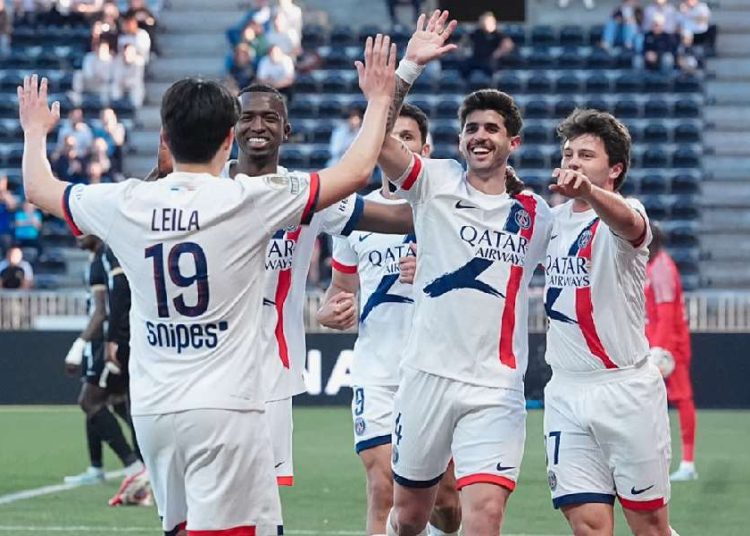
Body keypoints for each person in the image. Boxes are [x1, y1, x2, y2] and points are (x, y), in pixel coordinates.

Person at [18, 29, 395, 534]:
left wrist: (35, 130)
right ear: (227, 140)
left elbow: (39, 187)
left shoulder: (126, 201)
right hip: (225, 407)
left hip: (153, 409)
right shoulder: (248, 199)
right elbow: (354, 171)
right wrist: (379, 98)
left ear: (166, 139)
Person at [377, 11, 553, 535]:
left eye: (491, 128)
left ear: (512, 142)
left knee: (486, 515)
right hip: (426, 376)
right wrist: (409, 67)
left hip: (496, 387)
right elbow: (377, 141)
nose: (480, 136)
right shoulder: (434, 182)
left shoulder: (536, 214)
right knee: (410, 517)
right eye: (471, 128)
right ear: (459, 140)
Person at [214, 78, 413, 520]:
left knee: (261, 505)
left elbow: (401, 218)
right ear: (231, 129)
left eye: (270, 117)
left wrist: (472, 194)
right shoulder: (206, 188)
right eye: (247, 117)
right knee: (202, 502)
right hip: (205, 368)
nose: (258, 126)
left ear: (286, 131)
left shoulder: (304, 193)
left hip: (268, 374)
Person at [317, 104, 461, 536]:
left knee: (446, 503)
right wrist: (330, 311)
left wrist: (433, 272)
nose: (397, 144)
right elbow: (339, 290)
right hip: (376, 371)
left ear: (425, 149)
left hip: (436, 371)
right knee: (383, 488)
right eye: (390, 136)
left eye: (407, 137)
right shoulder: (356, 215)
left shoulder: (450, 211)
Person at [542, 108, 679, 535]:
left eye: (586, 156)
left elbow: (630, 224)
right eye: (568, 154)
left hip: (625, 390)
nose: (573, 163)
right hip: (565, 391)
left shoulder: (626, 213)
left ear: (615, 169)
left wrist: (590, 192)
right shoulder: (549, 222)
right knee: (588, 525)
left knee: (650, 526)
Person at [63, 235, 143, 487]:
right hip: (109, 339)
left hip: (107, 340)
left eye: (82, 229)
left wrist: (79, 345)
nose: (77, 234)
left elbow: (102, 311)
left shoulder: (107, 255)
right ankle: (101, 466)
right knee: (116, 402)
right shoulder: (98, 257)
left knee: (91, 401)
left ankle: (135, 466)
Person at [646, 224, 697, 482]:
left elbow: (667, 314)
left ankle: (688, 463)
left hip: (670, 345)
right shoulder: (651, 266)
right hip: (653, 341)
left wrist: (658, 349)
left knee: (682, 397)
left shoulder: (662, 268)